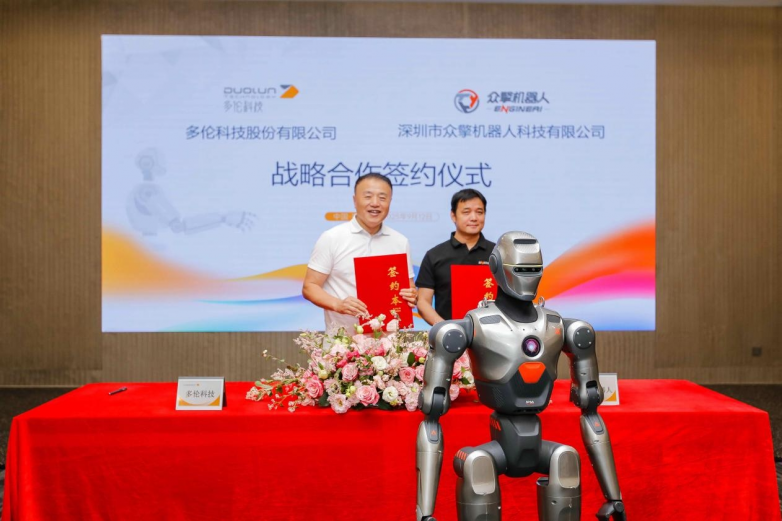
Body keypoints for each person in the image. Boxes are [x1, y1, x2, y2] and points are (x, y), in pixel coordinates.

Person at [303, 173, 418, 332]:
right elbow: (310, 286)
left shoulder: (400, 241)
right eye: (368, 196)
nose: (375, 203)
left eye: (382, 198)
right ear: (355, 200)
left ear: (390, 202)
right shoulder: (332, 238)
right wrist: (338, 304)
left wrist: (412, 295)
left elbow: (409, 287)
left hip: (387, 342)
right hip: (342, 341)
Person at [415, 188, 494, 325]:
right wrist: (446, 327)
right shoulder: (434, 255)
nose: (474, 218)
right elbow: (423, 301)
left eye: (479, 212)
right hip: (448, 334)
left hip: (492, 333)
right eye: (466, 212)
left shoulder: (499, 253)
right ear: (453, 216)